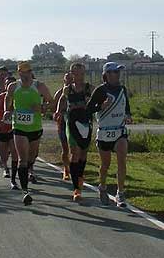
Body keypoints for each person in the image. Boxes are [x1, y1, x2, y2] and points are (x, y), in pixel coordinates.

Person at [4, 61, 54, 205]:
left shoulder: (39, 86)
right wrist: (8, 110)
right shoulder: (13, 86)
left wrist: (42, 108)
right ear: (19, 73)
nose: (24, 75)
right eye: (21, 72)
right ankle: (25, 191)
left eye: (27, 72)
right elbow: (8, 98)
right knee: (22, 159)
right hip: (19, 127)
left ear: (31, 72)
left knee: (31, 157)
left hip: (35, 128)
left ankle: (29, 169)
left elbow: (52, 102)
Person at [85, 62, 133, 207]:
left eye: (118, 72)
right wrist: (102, 106)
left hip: (119, 131)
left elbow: (127, 107)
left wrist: (128, 115)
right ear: (107, 75)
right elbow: (88, 109)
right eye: (114, 72)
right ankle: (103, 186)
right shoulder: (101, 90)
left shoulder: (122, 89)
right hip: (105, 133)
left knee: (121, 160)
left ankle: (120, 193)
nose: (117, 75)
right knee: (105, 164)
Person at [55, 63, 93, 201]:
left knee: (83, 152)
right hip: (71, 123)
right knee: (74, 152)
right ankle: (76, 188)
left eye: (82, 73)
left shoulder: (90, 88)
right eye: (76, 73)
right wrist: (59, 112)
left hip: (86, 123)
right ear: (71, 74)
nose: (79, 76)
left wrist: (101, 104)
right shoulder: (68, 89)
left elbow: (98, 102)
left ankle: (80, 176)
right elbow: (61, 101)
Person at [53, 72, 71, 182]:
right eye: (66, 80)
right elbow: (53, 104)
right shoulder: (60, 92)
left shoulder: (78, 91)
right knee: (65, 147)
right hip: (62, 123)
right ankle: (66, 169)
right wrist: (57, 112)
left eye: (71, 79)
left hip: (75, 121)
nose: (68, 82)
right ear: (63, 81)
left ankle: (76, 169)